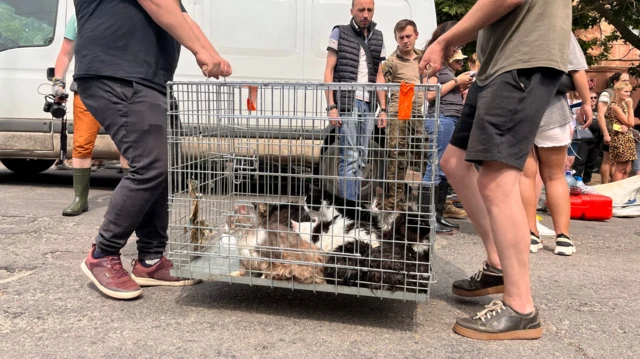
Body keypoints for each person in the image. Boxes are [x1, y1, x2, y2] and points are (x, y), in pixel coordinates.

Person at [419, 0, 571, 340]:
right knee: (454, 163)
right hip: (496, 66)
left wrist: (443, 41)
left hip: (521, 62)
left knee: (496, 180)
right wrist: (456, 40)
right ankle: (498, 265)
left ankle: (520, 307)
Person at [75, 0, 232, 300]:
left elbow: (183, 18)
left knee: (165, 166)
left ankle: (150, 259)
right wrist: (201, 52)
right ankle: (102, 253)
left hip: (149, 80)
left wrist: (212, 53)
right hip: (117, 72)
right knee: (150, 165)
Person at [521, 33, 592, 257]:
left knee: (525, 175)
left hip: (519, 108)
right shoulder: (558, 26)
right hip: (552, 109)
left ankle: (530, 233)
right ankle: (563, 238)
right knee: (554, 175)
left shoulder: (514, 19)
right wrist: (587, 102)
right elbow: (577, 69)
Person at [52, 15, 129, 217]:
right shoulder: (79, 16)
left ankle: (131, 202)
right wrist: (57, 81)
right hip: (85, 89)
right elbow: (65, 54)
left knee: (127, 144)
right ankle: (80, 199)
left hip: (121, 89)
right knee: (82, 144)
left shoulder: (126, 11)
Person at [324, 0, 387, 202]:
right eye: (361, 10)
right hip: (348, 103)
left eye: (369, 10)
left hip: (368, 105)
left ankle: (353, 207)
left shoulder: (378, 37)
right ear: (352, 11)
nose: (365, 14)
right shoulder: (340, 32)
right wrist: (332, 106)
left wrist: (383, 108)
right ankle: (349, 210)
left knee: (362, 159)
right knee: (349, 158)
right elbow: (329, 71)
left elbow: (379, 75)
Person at [422, 21, 474, 234]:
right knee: (434, 168)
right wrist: (456, 82)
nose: (458, 47)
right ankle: (427, 220)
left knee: (443, 169)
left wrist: (461, 84)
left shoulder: (446, 64)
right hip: (441, 118)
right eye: (456, 42)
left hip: (452, 118)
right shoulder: (434, 63)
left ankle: (438, 216)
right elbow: (430, 94)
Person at [378, 19, 425, 212]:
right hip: (400, 109)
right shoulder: (392, 61)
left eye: (408, 36)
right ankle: (394, 201)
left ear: (416, 35)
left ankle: (430, 199)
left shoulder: (423, 56)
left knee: (426, 153)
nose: (405, 41)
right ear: (396, 39)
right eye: (401, 37)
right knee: (398, 155)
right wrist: (383, 109)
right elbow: (380, 82)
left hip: (419, 112)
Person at [597, 72, 630, 184]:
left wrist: (626, 125)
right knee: (607, 161)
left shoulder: (623, 95)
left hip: (621, 133)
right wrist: (606, 133)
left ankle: (614, 186)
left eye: (627, 80)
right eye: (624, 80)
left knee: (616, 163)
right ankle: (605, 186)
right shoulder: (607, 94)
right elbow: (601, 115)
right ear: (615, 82)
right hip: (610, 131)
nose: (626, 83)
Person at [607, 81, 637, 182]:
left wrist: (627, 127)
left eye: (629, 92)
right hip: (620, 140)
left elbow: (627, 124)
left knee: (627, 169)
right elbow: (631, 122)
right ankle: (618, 191)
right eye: (625, 91)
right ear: (617, 91)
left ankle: (624, 191)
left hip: (627, 138)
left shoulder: (622, 105)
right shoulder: (615, 106)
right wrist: (630, 107)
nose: (628, 94)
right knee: (620, 168)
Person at [572, 91, 602, 184]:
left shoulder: (600, 111)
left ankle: (587, 181)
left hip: (597, 140)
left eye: (595, 98)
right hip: (584, 139)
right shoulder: (581, 109)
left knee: (591, 162)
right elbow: (580, 124)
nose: (593, 100)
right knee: (580, 161)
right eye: (591, 98)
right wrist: (579, 116)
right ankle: (576, 181)